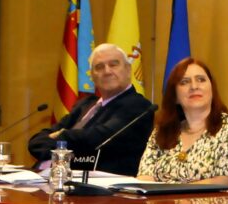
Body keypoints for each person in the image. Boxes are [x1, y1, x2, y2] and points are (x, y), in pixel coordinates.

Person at [28, 43, 154, 176]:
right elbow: (36, 143)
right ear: (92, 76)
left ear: (128, 69)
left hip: (97, 184)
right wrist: (64, 145)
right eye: (99, 67)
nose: (107, 71)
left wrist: (60, 136)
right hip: (45, 176)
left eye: (113, 65)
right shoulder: (85, 104)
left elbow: (97, 138)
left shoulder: (139, 106)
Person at [137, 57, 228, 187]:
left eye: (201, 80)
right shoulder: (163, 131)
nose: (194, 86)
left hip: (213, 201)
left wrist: (174, 194)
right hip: (161, 200)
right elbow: (144, 177)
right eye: (184, 82)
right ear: (175, 96)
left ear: (212, 88)